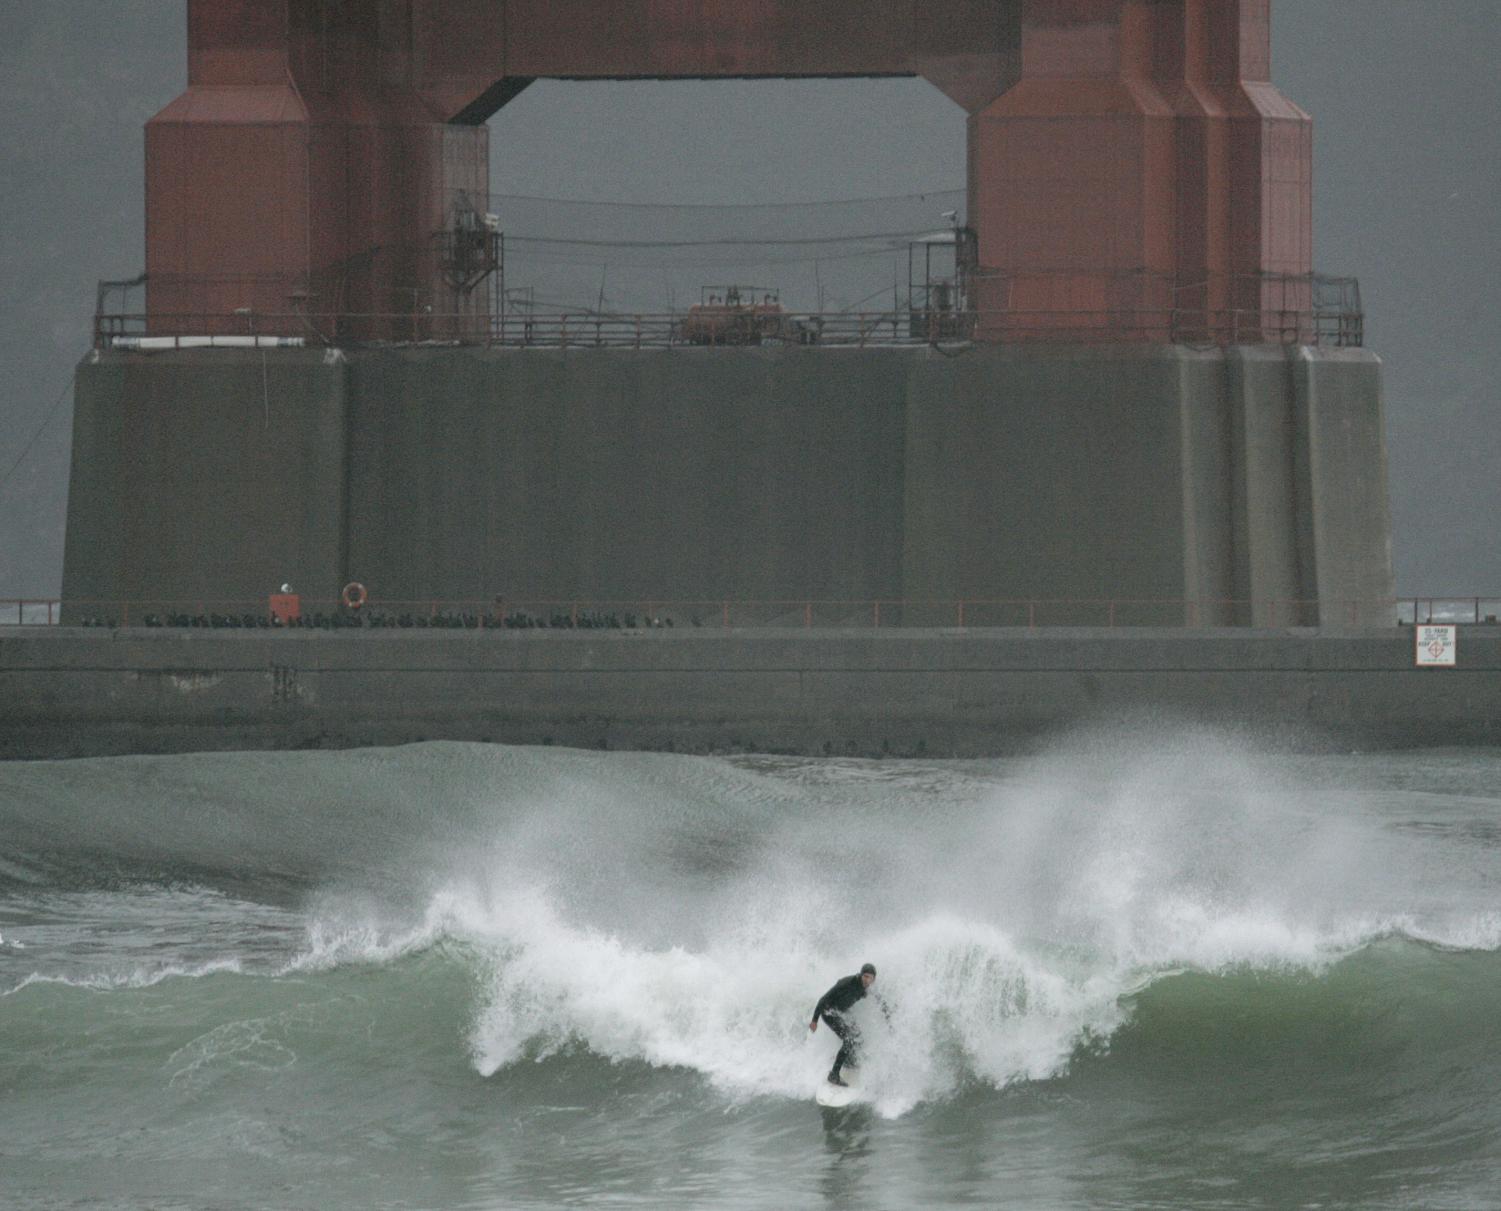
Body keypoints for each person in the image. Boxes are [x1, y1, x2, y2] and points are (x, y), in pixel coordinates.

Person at [809, 962, 880, 1086]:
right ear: (861, 975)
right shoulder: (846, 983)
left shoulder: (867, 987)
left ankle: (848, 1061)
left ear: (873, 979)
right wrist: (815, 1020)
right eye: (865, 976)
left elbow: (879, 999)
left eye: (870, 977)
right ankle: (834, 1075)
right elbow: (823, 999)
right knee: (849, 1040)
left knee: (858, 1037)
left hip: (841, 1012)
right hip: (829, 1013)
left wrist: (888, 1014)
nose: (867, 980)